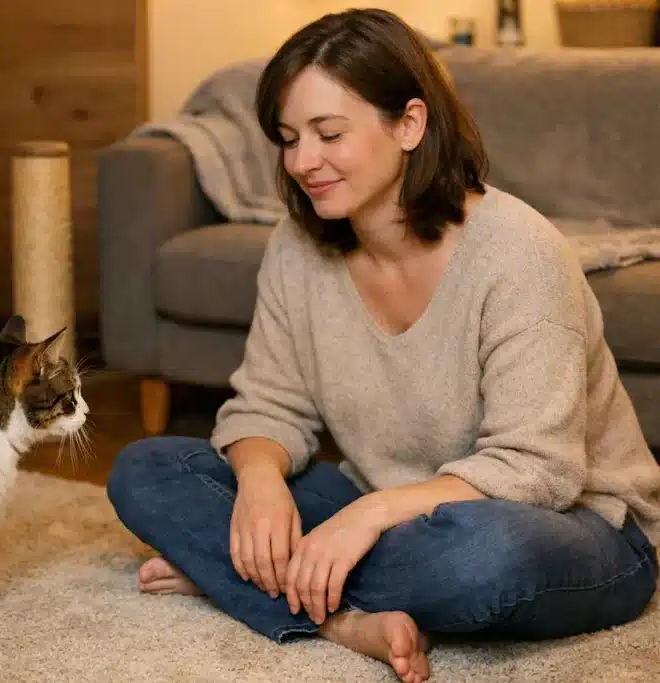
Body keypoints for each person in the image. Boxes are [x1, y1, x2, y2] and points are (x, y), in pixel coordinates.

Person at [106, 8, 660, 683]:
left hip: (574, 528)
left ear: (410, 124)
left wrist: (365, 516)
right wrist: (257, 482)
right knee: (147, 470)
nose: (302, 161)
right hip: (392, 508)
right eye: (288, 138)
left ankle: (244, 580)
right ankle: (339, 618)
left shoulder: (521, 253)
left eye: (328, 133)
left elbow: (539, 471)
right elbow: (268, 404)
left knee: (483, 557)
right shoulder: (296, 246)